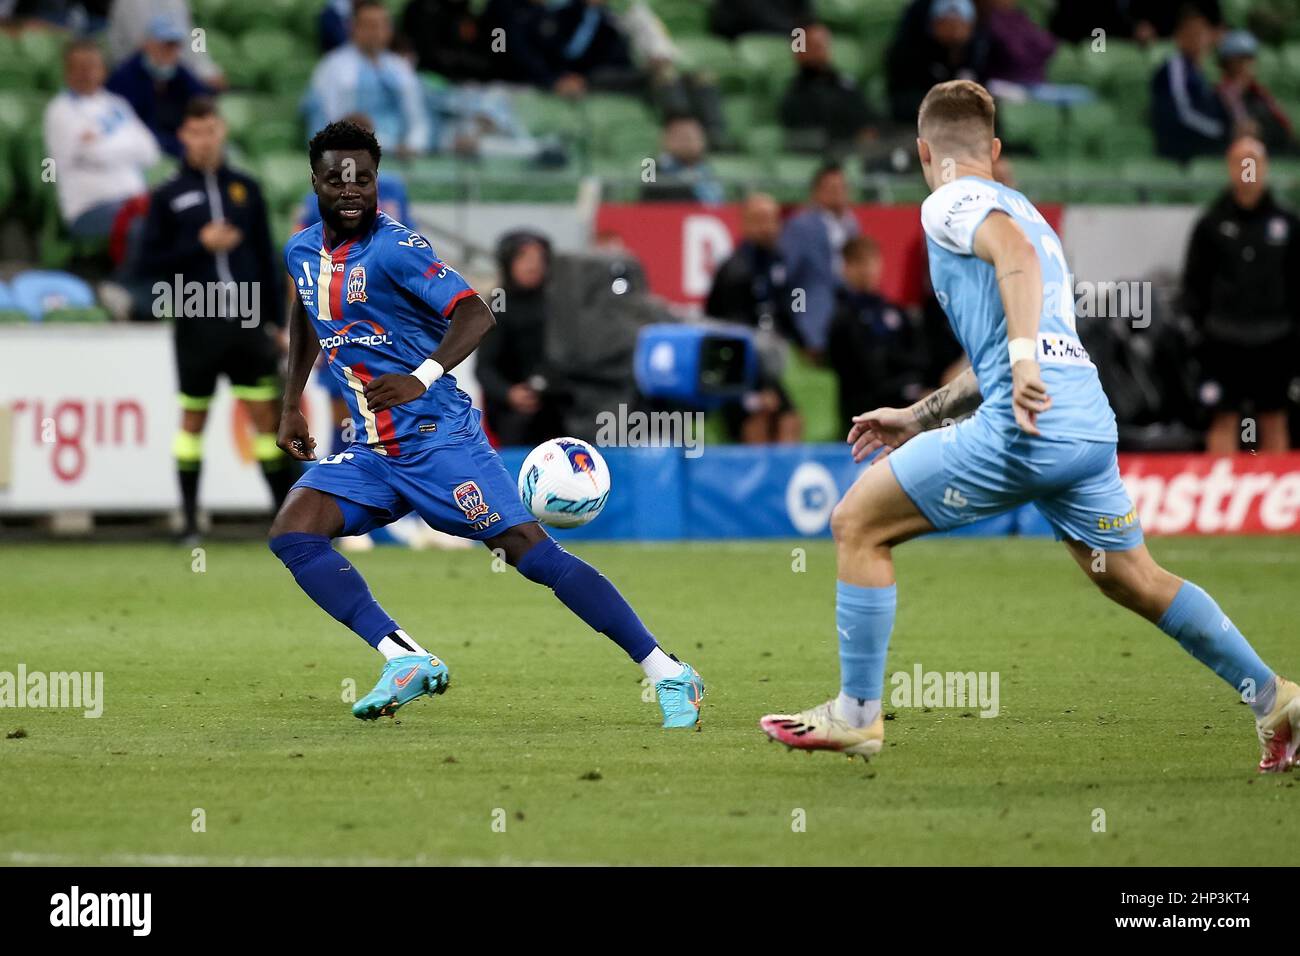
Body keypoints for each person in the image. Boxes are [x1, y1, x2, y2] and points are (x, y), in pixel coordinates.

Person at [760, 80, 1298, 773]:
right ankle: (1276, 699)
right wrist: (920, 415)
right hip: (1084, 427)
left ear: (926, 152)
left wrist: (1019, 365)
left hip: (1025, 424)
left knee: (857, 523)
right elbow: (1023, 324)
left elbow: (1010, 273)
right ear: (997, 149)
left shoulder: (950, 200)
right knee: (1133, 575)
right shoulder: (1032, 216)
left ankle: (857, 716)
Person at [270, 120, 704, 727]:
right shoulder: (301, 250)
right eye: (337, 179)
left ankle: (670, 671)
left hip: (437, 439)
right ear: (314, 181)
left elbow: (475, 313)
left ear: (376, 184)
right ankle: (405, 658)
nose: (350, 191)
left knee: (528, 552)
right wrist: (291, 401)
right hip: (375, 449)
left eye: (363, 179)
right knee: (294, 531)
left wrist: (419, 376)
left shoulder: (398, 248)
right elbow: (305, 309)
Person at [139, 97, 291, 542]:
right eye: (195, 132)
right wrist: (199, 245)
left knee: (265, 421)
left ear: (221, 131)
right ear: (183, 136)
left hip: (246, 322)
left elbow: (265, 255)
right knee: (193, 421)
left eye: (211, 130)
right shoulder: (167, 194)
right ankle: (188, 523)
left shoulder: (246, 188)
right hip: (195, 319)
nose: (204, 140)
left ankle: (285, 523)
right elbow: (148, 261)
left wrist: (278, 323)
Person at [1182, 136, 1299, 453]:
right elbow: (1194, 283)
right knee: (1224, 417)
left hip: (1277, 338)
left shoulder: (1287, 222)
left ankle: (1279, 497)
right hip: (1223, 338)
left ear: (1264, 168)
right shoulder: (1211, 223)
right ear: (1230, 168)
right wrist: (1202, 327)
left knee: (1274, 417)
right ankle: (1221, 492)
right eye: (1240, 162)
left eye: (1254, 162)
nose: (1247, 170)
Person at [705, 193, 802, 443]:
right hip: (733, 371)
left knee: (790, 420)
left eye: (772, 220)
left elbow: (784, 316)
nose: (768, 227)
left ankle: (784, 480)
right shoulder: (735, 271)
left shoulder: (778, 265)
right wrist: (762, 386)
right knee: (758, 417)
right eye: (760, 220)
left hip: (766, 368)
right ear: (745, 224)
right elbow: (733, 336)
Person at [44, 39, 160, 240]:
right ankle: (130, 273)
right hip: (90, 207)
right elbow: (94, 154)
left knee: (183, 211)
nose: (87, 74)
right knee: (144, 226)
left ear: (103, 70)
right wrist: (125, 148)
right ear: (67, 72)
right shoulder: (60, 110)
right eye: (79, 68)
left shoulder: (117, 104)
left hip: (134, 198)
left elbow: (150, 152)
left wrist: (102, 144)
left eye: (92, 66)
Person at [304, 0, 432, 157]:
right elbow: (324, 122)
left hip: (400, 156)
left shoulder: (400, 68)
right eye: (370, 25)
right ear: (353, 28)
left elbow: (417, 118)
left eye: (382, 25)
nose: (376, 32)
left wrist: (413, 145)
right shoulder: (332, 67)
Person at [827, 235, 926, 435]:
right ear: (845, 268)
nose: (867, 269)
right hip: (865, 410)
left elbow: (920, 356)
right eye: (859, 262)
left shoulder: (895, 312)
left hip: (907, 396)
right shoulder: (842, 318)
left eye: (872, 260)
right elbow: (862, 371)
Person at [477, 230, 565, 446]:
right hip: (512, 411)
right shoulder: (499, 301)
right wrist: (510, 393)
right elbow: (484, 368)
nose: (532, 266)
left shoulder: (557, 301)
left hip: (557, 403)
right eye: (524, 259)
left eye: (538, 259)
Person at [778, 162, 859, 354]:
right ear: (817, 192)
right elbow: (792, 279)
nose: (838, 193)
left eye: (842, 188)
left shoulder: (851, 225)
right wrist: (799, 318)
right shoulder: (800, 226)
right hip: (814, 310)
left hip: (847, 308)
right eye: (832, 188)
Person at [106, 13, 210, 157]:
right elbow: (125, 125)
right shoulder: (124, 78)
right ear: (148, 44)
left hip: (180, 145)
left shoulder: (181, 74)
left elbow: (203, 99)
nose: (170, 51)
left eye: (175, 46)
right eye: (165, 45)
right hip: (140, 149)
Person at [778, 21, 878, 155]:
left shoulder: (844, 82)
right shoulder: (795, 93)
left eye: (824, 44)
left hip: (862, 150)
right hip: (829, 152)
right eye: (814, 45)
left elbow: (867, 114)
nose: (821, 49)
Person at [886, 0, 987, 124]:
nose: (955, 30)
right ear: (934, 23)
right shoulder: (913, 49)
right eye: (948, 22)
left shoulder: (975, 52)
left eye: (960, 23)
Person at [1151, 5, 1229, 162]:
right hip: (1180, 148)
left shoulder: (1202, 72)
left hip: (1206, 143)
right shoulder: (1175, 66)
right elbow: (1182, 113)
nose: (1198, 39)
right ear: (1179, 37)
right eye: (1192, 33)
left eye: (1201, 33)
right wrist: (1222, 132)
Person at [1216, 30, 1296, 156]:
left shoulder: (1260, 96)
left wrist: (1261, 130)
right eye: (1237, 62)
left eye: (1248, 60)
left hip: (1273, 157)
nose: (1244, 67)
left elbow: (1283, 132)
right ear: (1226, 65)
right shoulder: (1218, 96)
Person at [641, 113, 724, 204]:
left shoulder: (706, 170)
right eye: (685, 137)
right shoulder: (654, 170)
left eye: (696, 137)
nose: (691, 143)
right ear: (666, 140)